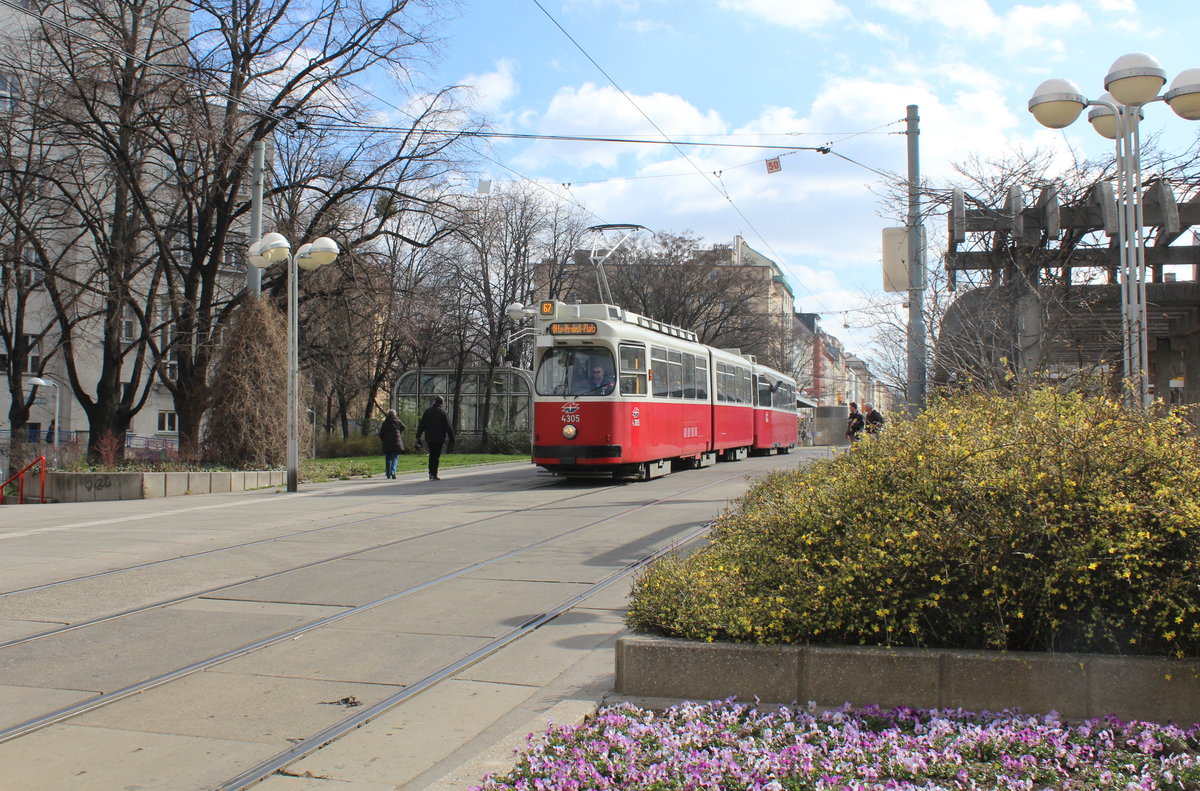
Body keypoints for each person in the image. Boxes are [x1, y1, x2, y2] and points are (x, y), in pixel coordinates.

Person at [414, 395, 455, 481]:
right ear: (442, 403)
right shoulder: (442, 412)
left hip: (429, 437)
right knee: (436, 456)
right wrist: (452, 438)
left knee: (432, 454)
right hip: (439, 437)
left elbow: (422, 425)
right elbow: (448, 426)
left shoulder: (427, 412)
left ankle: (430, 473)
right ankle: (434, 474)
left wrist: (418, 436)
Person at [378, 410, 405, 479]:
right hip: (396, 442)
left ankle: (388, 474)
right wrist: (399, 432)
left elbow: (381, 432)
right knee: (395, 458)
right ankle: (393, 471)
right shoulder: (397, 421)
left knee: (388, 458)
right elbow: (403, 427)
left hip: (387, 442)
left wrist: (382, 438)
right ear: (395, 414)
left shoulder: (385, 422)